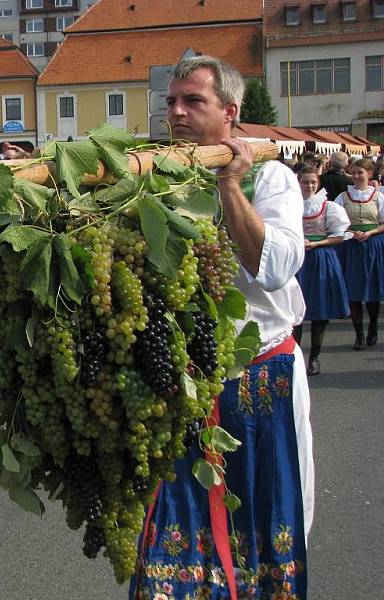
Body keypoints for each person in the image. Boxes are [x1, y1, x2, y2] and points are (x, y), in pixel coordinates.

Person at [132, 56, 312, 598]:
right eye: (171, 102)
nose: (178, 113)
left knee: (266, 515)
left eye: (194, 102)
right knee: (173, 526)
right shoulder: (154, 177)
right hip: (181, 382)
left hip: (261, 379)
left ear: (230, 112)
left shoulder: (269, 175)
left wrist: (230, 185)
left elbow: (276, 267)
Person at [293, 166, 350, 375]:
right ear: (298, 184)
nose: (309, 186)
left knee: (319, 309)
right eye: (305, 182)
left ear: (318, 184)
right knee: (295, 311)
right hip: (297, 260)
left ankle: (315, 357)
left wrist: (317, 244)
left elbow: (339, 236)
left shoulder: (329, 207)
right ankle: (296, 356)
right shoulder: (290, 206)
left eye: (313, 182)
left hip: (321, 258)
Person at [333, 157, 384, 350]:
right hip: (351, 246)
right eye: (353, 173)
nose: (355, 176)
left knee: (372, 290)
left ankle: (372, 325)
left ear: (369, 174)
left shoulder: (378, 197)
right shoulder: (343, 197)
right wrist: (351, 232)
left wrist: (370, 232)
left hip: (373, 244)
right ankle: (359, 334)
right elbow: (336, 224)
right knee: (353, 291)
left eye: (359, 173)